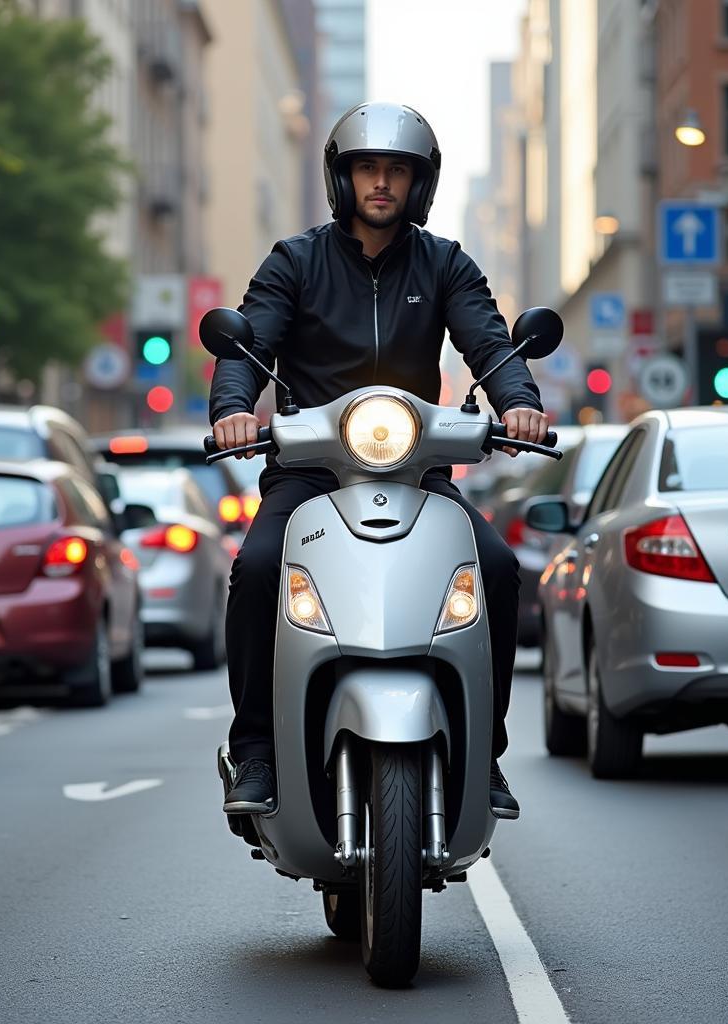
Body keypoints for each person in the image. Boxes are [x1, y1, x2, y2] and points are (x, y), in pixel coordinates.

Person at [210, 102, 549, 819]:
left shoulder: (445, 262)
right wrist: (233, 410)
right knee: (259, 566)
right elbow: (249, 347)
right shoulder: (294, 261)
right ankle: (258, 748)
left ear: (419, 183)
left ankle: (483, 752)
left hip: (415, 472)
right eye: (368, 167)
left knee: (495, 567)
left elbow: (489, 344)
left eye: (398, 169)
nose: (382, 182)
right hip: (310, 473)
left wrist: (518, 399)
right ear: (343, 176)